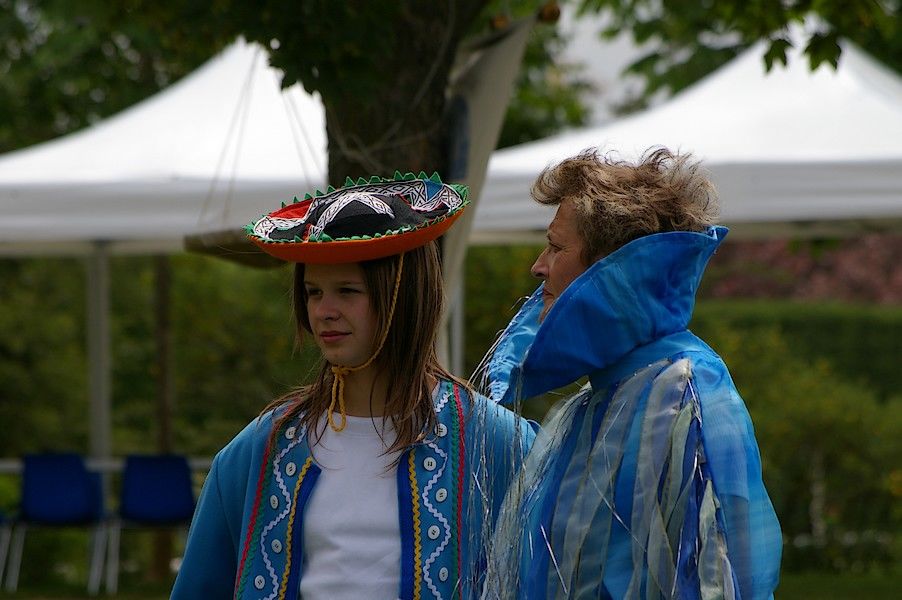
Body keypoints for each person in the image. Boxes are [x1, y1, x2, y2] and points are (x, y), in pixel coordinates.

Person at [171, 173, 534, 599]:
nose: (324, 311)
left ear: (403, 295)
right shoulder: (262, 448)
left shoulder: (496, 443)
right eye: (313, 292)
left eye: (347, 290)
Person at [477, 149, 781, 599]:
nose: (538, 266)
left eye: (557, 247)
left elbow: (715, 582)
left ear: (609, 270)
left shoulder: (683, 394)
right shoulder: (596, 399)